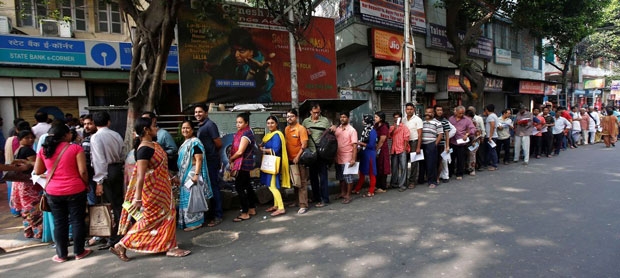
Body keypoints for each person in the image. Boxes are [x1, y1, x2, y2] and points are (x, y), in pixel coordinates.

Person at [110, 118, 191, 261]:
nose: (156, 128)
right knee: (149, 220)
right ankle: (122, 244)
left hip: (162, 189)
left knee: (168, 216)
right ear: (146, 130)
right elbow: (140, 176)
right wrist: (138, 198)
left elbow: (161, 167)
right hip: (152, 192)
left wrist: (172, 177)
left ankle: (169, 246)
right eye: (154, 126)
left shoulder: (154, 145)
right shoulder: (144, 150)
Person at [33, 123, 91, 263]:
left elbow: (38, 171)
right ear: (65, 135)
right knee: (77, 220)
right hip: (75, 189)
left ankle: (61, 255)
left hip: (53, 191)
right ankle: (79, 252)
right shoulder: (75, 148)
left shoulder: (44, 150)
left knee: (59, 223)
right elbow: (83, 171)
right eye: (69, 133)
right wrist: (86, 184)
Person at [204, 28, 275, 103]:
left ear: (251, 51)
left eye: (242, 51)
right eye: (233, 50)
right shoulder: (228, 61)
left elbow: (265, 84)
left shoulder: (259, 65)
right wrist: (213, 69)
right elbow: (224, 74)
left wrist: (262, 76)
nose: (236, 55)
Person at [91, 111, 124, 250]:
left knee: (109, 205)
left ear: (94, 123)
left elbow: (99, 160)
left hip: (106, 172)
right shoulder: (116, 135)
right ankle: (120, 233)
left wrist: (99, 181)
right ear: (108, 122)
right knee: (118, 204)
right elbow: (122, 152)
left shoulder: (96, 137)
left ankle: (113, 236)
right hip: (117, 169)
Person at [177, 120, 213, 231]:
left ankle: (196, 223)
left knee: (192, 198)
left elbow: (199, 159)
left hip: (192, 173)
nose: (185, 130)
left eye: (187, 128)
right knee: (186, 199)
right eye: (183, 128)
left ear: (192, 129)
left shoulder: (195, 142)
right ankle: (188, 222)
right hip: (185, 175)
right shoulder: (185, 143)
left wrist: (196, 175)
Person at [194, 104, 224, 227]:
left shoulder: (210, 125)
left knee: (214, 187)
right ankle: (212, 213)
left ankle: (218, 215)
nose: (197, 114)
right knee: (209, 187)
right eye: (196, 112)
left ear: (206, 113)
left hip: (211, 161)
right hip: (205, 161)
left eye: (200, 112)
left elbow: (218, 143)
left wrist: (211, 152)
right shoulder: (201, 126)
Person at [12, 130, 42, 238]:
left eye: (32, 137)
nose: (31, 139)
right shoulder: (28, 151)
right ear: (20, 139)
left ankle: (28, 230)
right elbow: (36, 166)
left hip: (20, 183)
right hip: (29, 184)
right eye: (27, 138)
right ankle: (37, 232)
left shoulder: (17, 150)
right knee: (34, 208)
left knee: (25, 208)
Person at [302, 103, 332, 208]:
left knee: (323, 176)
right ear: (310, 112)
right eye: (314, 112)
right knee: (313, 177)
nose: (316, 114)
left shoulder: (324, 121)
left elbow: (329, 135)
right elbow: (302, 134)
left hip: (322, 152)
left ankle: (325, 199)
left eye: (318, 112)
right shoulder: (306, 121)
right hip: (311, 153)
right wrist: (306, 132)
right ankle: (316, 197)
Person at [230, 112, 258, 222]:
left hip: (242, 164)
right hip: (245, 164)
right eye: (237, 122)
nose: (238, 125)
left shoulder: (246, 134)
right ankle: (252, 208)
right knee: (247, 185)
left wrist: (231, 159)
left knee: (239, 187)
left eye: (240, 122)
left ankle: (245, 212)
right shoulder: (244, 132)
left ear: (246, 123)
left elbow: (240, 151)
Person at [261, 116, 290, 217]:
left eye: (272, 123)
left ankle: (281, 207)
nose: (270, 125)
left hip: (273, 163)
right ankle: (276, 205)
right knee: (271, 184)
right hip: (270, 163)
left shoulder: (277, 135)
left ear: (276, 124)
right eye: (268, 123)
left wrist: (263, 150)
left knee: (272, 186)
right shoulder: (269, 135)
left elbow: (276, 149)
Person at [284, 109, 309, 214]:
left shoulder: (301, 128)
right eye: (288, 116)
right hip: (290, 160)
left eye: (292, 116)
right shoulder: (286, 129)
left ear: (296, 117)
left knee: (302, 182)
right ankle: (297, 201)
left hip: (300, 160)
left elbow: (304, 145)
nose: (289, 118)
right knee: (295, 181)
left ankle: (303, 205)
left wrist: (297, 157)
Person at [335, 111, 358, 204]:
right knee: (341, 177)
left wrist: (353, 159)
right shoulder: (338, 129)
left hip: (348, 157)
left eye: (344, 117)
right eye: (341, 117)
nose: (342, 119)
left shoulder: (352, 130)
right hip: (338, 157)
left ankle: (348, 195)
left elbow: (355, 146)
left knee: (348, 178)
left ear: (348, 118)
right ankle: (342, 193)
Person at [448, 106, 476, 180]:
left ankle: (459, 173)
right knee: (451, 158)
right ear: (456, 112)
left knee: (461, 159)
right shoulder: (451, 119)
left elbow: (473, 129)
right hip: (452, 142)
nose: (461, 115)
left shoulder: (467, 120)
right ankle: (450, 172)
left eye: (463, 113)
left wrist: (467, 134)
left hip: (461, 143)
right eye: (460, 113)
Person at [353, 115, 377, 197]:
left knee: (371, 173)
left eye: (364, 120)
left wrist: (360, 143)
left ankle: (371, 190)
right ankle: (357, 189)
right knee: (362, 172)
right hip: (364, 153)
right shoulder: (365, 130)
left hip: (370, 154)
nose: (363, 121)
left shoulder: (373, 131)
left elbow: (372, 145)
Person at [419, 107, 443, 189]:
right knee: (423, 164)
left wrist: (435, 144)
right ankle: (422, 179)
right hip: (422, 145)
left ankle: (432, 181)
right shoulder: (422, 122)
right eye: (427, 112)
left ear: (433, 113)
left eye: (430, 112)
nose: (428, 113)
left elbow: (440, 134)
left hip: (431, 144)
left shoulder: (437, 123)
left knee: (431, 164)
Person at [403, 103, 423, 189]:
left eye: (411, 109)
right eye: (408, 109)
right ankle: (404, 181)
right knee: (404, 162)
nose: (409, 111)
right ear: (405, 110)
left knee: (414, 163)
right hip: (405, 143)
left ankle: (412, 181)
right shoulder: (403, 120)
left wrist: (418, 147)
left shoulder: (418, 120)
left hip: (414, 142)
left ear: (414, 110)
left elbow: (420, 135)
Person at [388, 112, 410, 191]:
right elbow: (389, 136)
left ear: (401, 118)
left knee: (403, 167)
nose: (396, 119)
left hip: (402, 149)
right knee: (394, 167)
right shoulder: (392, 127)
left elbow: (406, 139)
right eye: (395, 117)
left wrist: (404, 149)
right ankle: (394, 183)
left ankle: (403, 185)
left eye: (398, 117)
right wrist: (394, 128)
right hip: (394, 150)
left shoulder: (404, 127)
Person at [373, 111, 389, 192]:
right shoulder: (375, 126)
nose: (374, 118)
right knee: (377, 167)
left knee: (383, 167)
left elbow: (382, 141)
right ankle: (377, 185)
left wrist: (376, 150)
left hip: (382, 149)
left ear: (381, 118)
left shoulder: (384, 127)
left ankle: (383, 187)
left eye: (376, 117)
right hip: (376, 147)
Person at [434, 105, 451, 183]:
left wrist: (447, 146)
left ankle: (443, 176)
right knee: (435, 161)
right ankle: (437, 176)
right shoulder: (432, 120)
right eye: (438, 110)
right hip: (433, 143)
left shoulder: (445, 121)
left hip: (442, 143)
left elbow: (447, 135)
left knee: (443, 161)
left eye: (441, 110)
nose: (440, 111)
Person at [464, 109, 481, 175]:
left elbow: (477, 133)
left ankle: (472, 169)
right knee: (468, 154)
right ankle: (467, 168)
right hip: (469, 141)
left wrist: (474, 141)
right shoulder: (467, 121)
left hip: (474, 141)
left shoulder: (473, 122)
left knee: (472, 155)